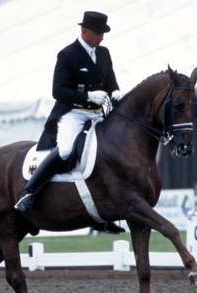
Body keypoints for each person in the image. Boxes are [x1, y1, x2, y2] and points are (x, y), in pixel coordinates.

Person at [14, 11, 124, 233]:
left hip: (97, 113)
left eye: (103, 33)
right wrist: (87, 97)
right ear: (83, 31)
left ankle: (102, 213)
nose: (101, 37)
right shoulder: (67, 54)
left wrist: (116, 91)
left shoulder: (103, 53)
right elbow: (58, 91)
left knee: (109, 151)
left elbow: (110, 79)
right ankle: (29, 193)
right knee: (65, 151)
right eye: (97, 33)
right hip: (73, 112)